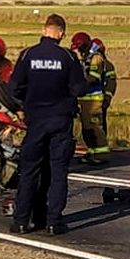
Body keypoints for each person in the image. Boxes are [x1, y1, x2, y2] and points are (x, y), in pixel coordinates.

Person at [8, 13, 86, 235]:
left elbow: (14, 88)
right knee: (58, 171)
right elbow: (79, 89)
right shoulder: (68, 57)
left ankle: (22, 221)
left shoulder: (28, 55)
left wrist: (23, 105)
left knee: (29, 171)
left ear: (44, 30)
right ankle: (54, 222)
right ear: (61, 33)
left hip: (36, 121)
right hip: (61, 120)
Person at [71, 31, 110, 165]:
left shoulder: (96, 58)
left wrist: (79, 83)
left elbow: (94, 76)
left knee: (95, 128)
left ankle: (101, 154)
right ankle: (92, 152)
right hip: (85, 99)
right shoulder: (86, 57)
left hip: (93, 101)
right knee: (87, 129)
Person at [91, 38, 117, 140]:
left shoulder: (107, 66)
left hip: (100, 100)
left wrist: (107, 98)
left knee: (99, 126)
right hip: (90, 102)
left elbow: (111, 83)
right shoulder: (89, 64)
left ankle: (100, 151)